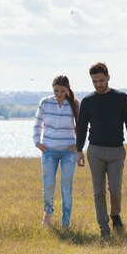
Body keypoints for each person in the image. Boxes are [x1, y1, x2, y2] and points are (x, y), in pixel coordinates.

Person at [76, 62, 127, 238]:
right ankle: (104, 227)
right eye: (94, 81)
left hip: (116, 152)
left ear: (108, 78)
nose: (98, 84)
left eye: (101, 80)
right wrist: (79, 150)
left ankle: (115, 215)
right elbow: (81, 128)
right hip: (94, 151)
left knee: (115, 190)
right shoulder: (88, 101)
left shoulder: (121, 98)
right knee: (98, 191)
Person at [33, 75, 80, 229]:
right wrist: (37, 142)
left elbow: (83, 126)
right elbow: (37, 123)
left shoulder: (74, 104)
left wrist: (78, 145)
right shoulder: (45, 102)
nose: (59, 93)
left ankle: (66, 223)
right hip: (49, 151)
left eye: (62, 90)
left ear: (67, 89)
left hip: (69, 152)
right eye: (56, 90)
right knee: (48, 186)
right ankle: (47, 216)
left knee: (66, 187)